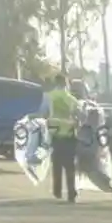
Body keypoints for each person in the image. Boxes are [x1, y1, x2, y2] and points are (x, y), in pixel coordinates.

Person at [45, 73, 78, 203]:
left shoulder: (48, 97)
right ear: (66, 83)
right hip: (69, 135)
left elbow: (44, 114)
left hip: (54, 135)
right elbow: (78, 117)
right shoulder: (71, 99)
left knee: (57, 165)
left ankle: (57, 190)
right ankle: (71, 193)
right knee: (70, 166)